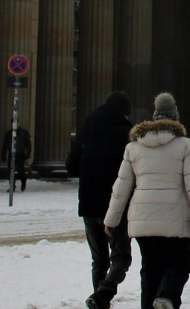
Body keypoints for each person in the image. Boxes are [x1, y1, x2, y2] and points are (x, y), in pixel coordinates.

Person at [104, 92, 190, 309]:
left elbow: (121, 187)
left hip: (143, 221)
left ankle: (153, 303)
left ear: (154, 117)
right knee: (180, 265)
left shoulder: (133, 146)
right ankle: (167, 298)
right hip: (175, 219)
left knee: (150, 271)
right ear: (175, 117)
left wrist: (111, 221)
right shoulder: (184, 145)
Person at [69, 90, 134, 309]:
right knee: (121, 257)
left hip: (87, 203)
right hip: (114, 205)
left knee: (99, 259)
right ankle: (102, 296)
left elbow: (71, 166)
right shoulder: (126, 133)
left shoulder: (87, 128)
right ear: (125, 113)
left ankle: (99, 300)